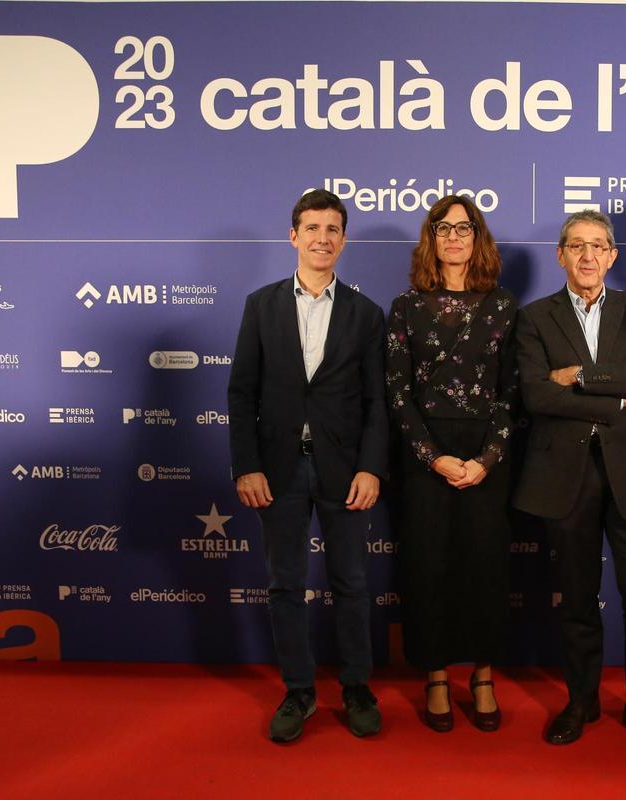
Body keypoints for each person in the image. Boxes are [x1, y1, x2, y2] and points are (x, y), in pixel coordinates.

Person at [514, 210, 626, 757]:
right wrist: (618, 395)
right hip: (565, 477)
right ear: (560, 255)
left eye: (598, 246)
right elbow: (537, 395)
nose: (587, 256)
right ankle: (581, 700)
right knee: (577, 598)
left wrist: (582, 376)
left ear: (612, 256)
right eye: (576, 246)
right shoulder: (535, 318)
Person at [227, 189, 388, 743]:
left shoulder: (367, 314)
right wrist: (246, 466)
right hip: (277, 470)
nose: (323, 238)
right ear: (293, 236)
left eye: (333, 229)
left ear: (343, 240)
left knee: (351, 584)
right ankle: (298, 692)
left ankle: (357, 688)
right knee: (285, 585)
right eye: (312, 228)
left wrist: (372, 468)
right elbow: (241, 393)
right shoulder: (260, 305)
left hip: (345, 471)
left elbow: (376, 403)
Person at [385, 195, 518, 732]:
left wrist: (485, 459)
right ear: (431, 239)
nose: (454, 237)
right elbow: (396, 392)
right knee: (429, 568)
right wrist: (434, 458)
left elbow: (512, 392)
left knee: (486, 567)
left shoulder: (504, 306)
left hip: (487, 455)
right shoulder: (405, 306)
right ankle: (436, 675)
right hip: (425, 458)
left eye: (464, 228)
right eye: (444, 228)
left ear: (478, 237)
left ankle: (482, 676)